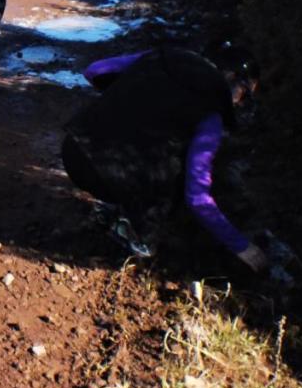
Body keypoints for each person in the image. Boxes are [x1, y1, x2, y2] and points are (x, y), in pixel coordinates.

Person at [60, 43, 269, 274]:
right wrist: (243, 248)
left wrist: (124, 99)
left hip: (73, 149)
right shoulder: (212, 117)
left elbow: (94, 70)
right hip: (106, 178)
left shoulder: (167, 56)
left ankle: (111, 209)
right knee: (177, 168)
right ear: (232, 77)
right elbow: (197, 197)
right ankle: (135, 235)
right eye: (245, 94)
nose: (240, 102)